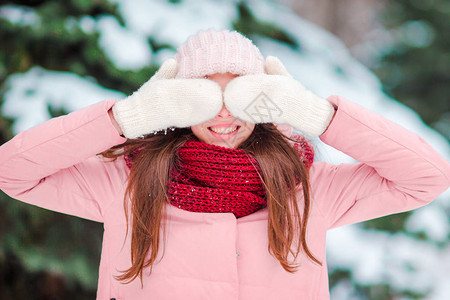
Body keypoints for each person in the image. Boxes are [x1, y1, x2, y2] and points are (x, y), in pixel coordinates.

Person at [0, 29, 448, 300]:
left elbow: (427, 176)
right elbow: (13, 172)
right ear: (178, 101)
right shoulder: (128, 183)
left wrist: (321, 117)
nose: (223, 116)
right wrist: (125, 119)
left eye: (239, 96)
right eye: (205, 96)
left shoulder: (308, 187)